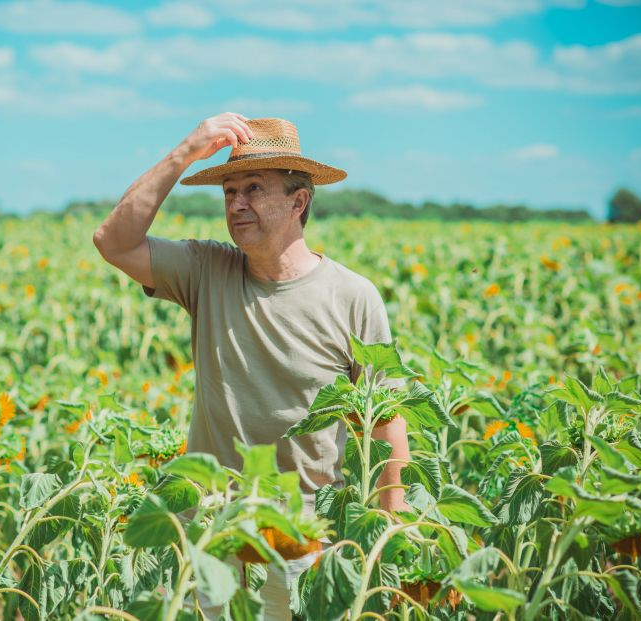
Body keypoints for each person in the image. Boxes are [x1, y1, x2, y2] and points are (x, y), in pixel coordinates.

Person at [93, 112, 411, 620]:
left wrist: (389, 539)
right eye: (229, 192)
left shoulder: (351, 296)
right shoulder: (206, 271)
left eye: (254, 189)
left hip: (304, 539)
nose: (237, 204)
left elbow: (388, 421)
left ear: (298, 201)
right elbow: (113, 241)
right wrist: (186, 152)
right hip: (215, 527)